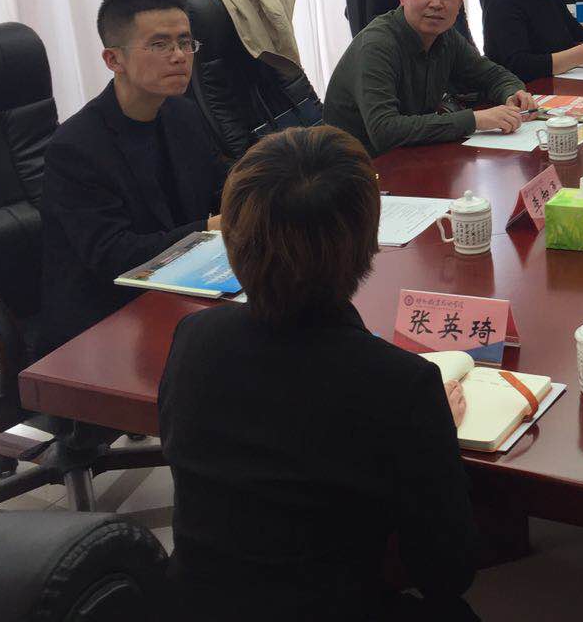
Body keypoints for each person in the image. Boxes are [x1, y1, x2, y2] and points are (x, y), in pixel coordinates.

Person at [159, 127, 479, 621]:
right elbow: (445, 572)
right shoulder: (400, 385)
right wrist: (436, 432)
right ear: (367, 241)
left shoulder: (193, 338)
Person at [39, 0, 224, 354]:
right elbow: (114, 256)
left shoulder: (183, 114)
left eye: (185, 42)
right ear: (113, 59)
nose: (179, 56)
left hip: (181, 288)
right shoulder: (75, 148)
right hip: (104, 322)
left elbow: (217, 191)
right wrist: (208, 229)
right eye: (159, 45)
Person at [324, 0, 535, 156]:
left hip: (413, 155)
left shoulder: (446, 36)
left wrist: (512, 94)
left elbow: (493, 75)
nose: (436, 3)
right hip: (359, 166)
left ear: (459, 2)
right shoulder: (376, 45)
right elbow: (385, 131)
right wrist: (474, 120)